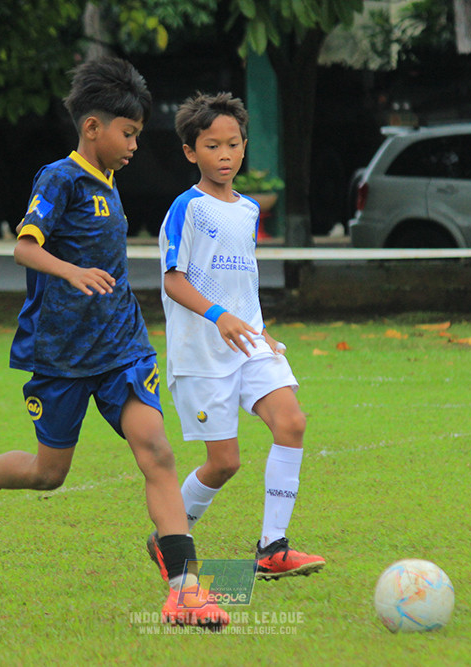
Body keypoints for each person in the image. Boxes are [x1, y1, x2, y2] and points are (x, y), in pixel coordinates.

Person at [0, 58, 228, 631]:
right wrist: (70, 271)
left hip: (121, 346)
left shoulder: (110, 180)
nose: (135, 144)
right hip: (61, 354)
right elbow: (24, 248)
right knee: (47, 474)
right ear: (93, 127)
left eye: (137, 133)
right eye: (128, 132)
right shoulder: (58, 178)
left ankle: (186, 591)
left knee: (157, 451)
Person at [154, 91, 325, 580]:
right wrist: (219, 316)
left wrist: (259, 330)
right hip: (202, 354)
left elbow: (240, 282)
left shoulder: (248, 210)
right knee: (223, 462)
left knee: (291, 421)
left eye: (232, 144)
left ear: (244, 147)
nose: (223, 155)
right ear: (191, 152)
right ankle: (170, 534)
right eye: (211, 146)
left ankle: (273, 548)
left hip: (249, 344)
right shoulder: (186, 209)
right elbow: (173, 279)